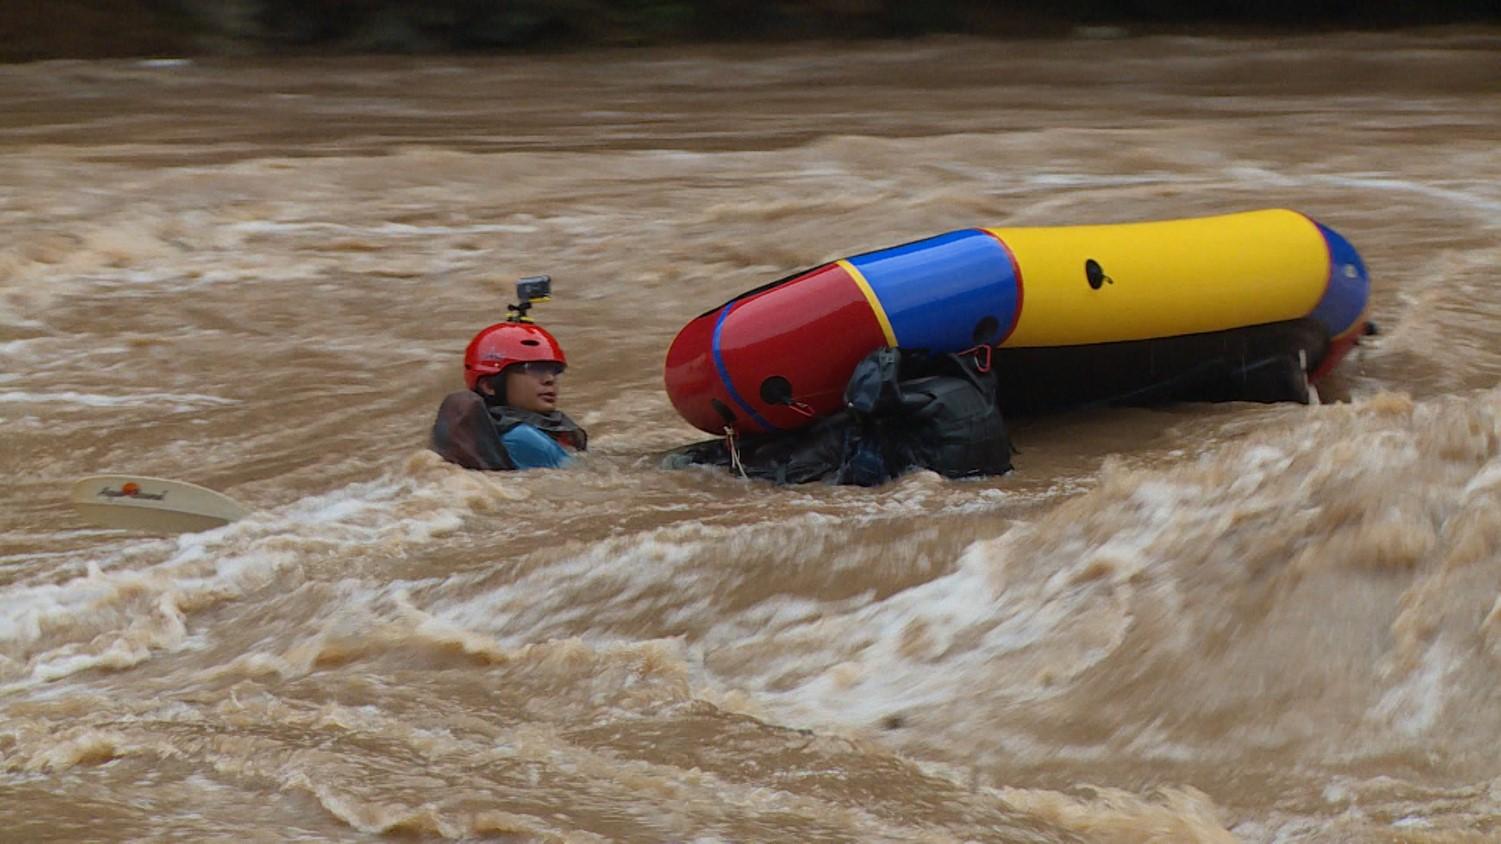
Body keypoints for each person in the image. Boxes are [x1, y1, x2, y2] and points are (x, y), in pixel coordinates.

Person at [430, 319, 587, 471]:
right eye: (533, 369)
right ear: (490, 385)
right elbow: (586, 478)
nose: (549, 379)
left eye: (554, 371)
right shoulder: (522, 438)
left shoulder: (493, 431)